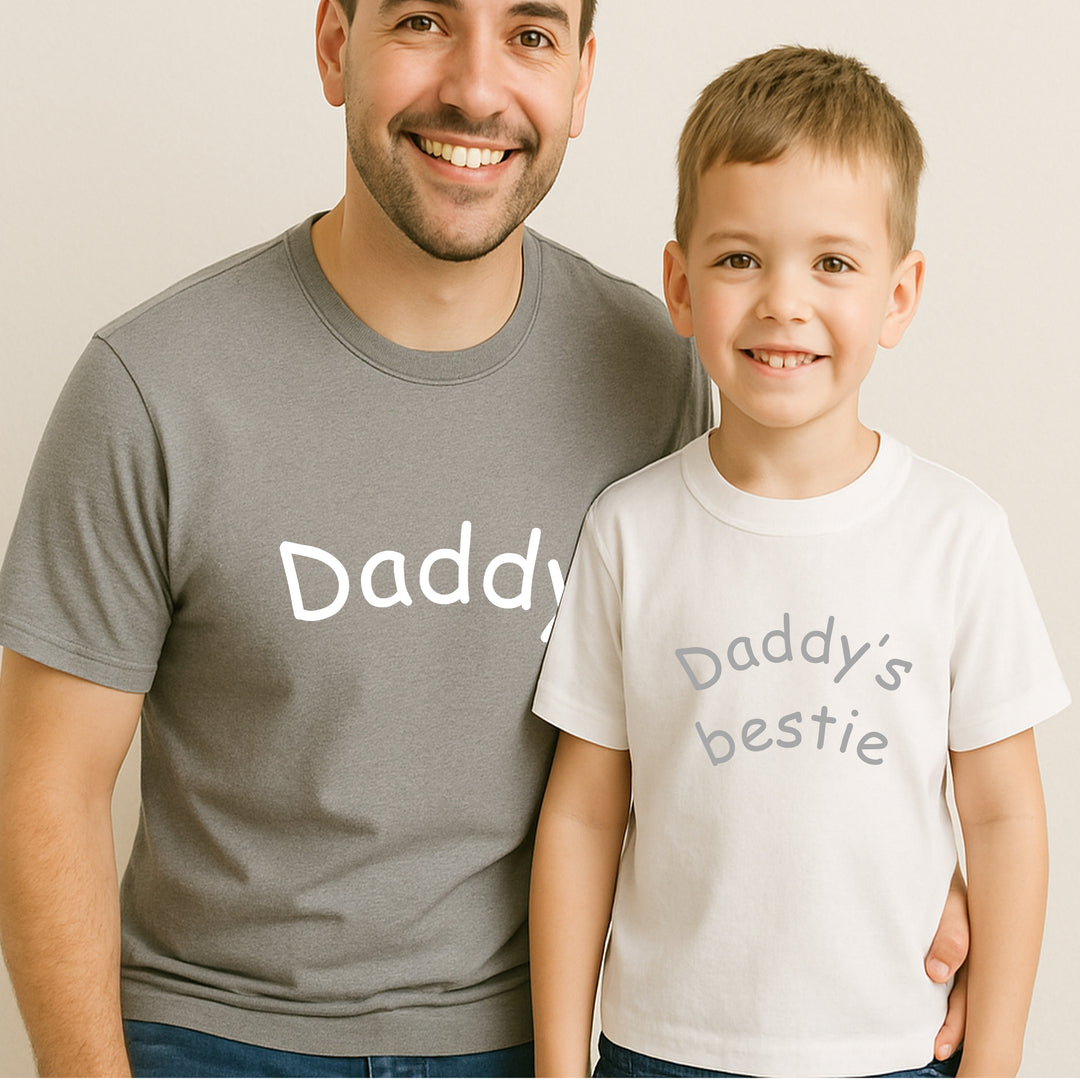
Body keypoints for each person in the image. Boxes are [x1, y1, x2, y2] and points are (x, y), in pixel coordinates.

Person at [0, 6, 967, 1076]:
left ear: (583, 82)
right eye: (423, 19)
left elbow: (765, 675)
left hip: (537, 1039)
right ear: (334, 45)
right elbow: (46, 786)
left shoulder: (658, 367)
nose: (477, 86)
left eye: (532, 34)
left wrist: (912, 873)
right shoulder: (153, 389)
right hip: (215, 1037)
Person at [529, 45, 1071, 1080]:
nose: (783, 300)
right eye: (740, 259)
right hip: (660, 1052)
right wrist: (563, 1065)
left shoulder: (958, 536)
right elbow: (584, 812)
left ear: (899, 297)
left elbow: (1004, 815)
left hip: (895, 1053)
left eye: (832, 263)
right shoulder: (631, 532)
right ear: (680, 287)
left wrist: (995, 1058)